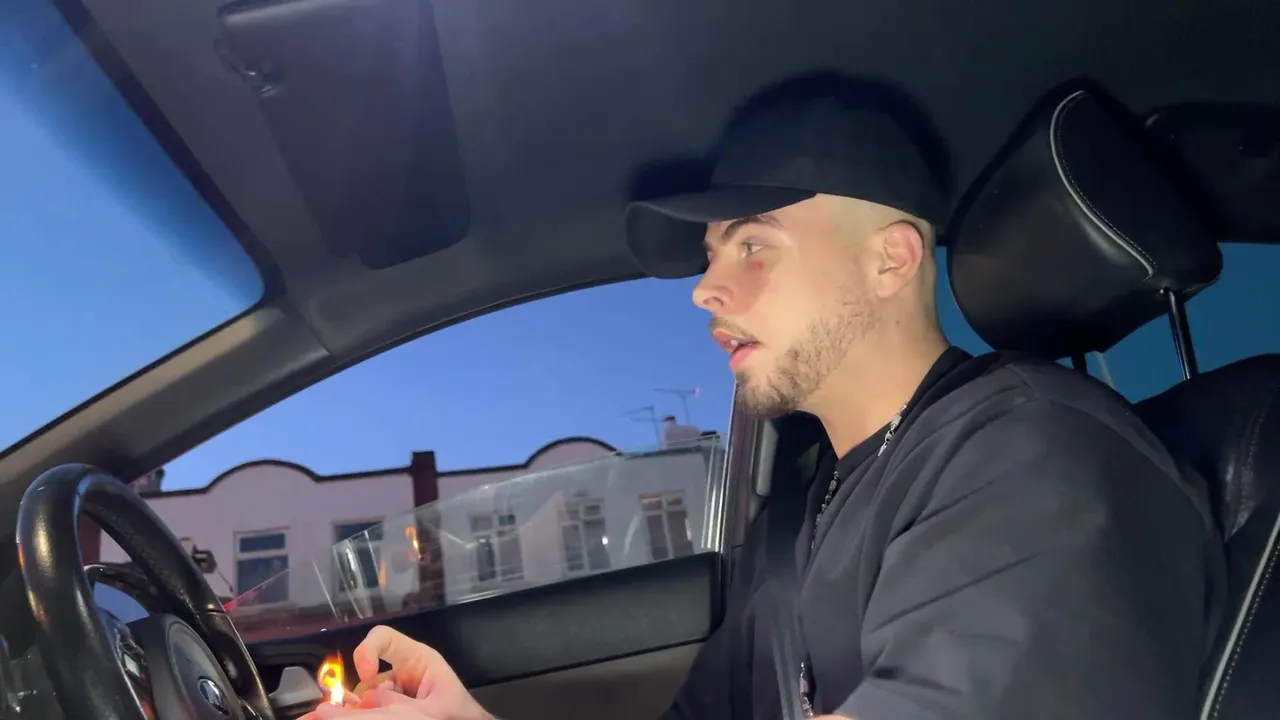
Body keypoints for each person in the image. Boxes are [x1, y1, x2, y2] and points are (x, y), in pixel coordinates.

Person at [303, 81, 1224, 719]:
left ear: (890, 259)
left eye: (752, 245)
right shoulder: (810, 507)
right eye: (711, 256)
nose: (706, 289)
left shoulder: (1038, 460)